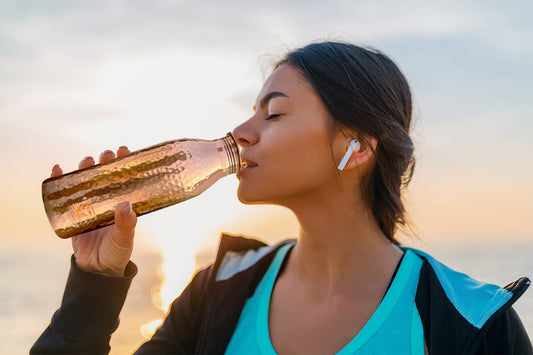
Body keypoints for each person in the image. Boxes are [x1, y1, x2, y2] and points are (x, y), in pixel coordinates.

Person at [32, 41, 531, 354]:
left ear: (355, 146)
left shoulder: (469, 323)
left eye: (273, 113)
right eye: (251, 111)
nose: (241, 132)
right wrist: (93, 287)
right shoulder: (218, 293)